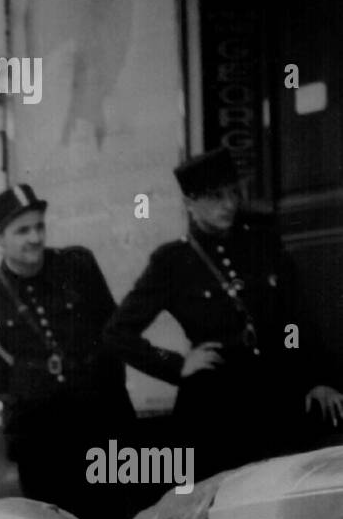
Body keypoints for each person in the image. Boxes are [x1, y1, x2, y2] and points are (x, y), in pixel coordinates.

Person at [104, 147, 343, 482]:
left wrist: (318, 378)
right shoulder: (172, 261)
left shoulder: (263, 245)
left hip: (275, 398)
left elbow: (296, 318)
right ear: (189, 203)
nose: (228, 204)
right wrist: (176, 364)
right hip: (215, 409)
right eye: (215, 197)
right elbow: (118, 333)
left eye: (233, 193)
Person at [0, 184, 141, 519]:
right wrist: (23, 390)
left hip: (100, 418)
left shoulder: (77, 266)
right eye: (23, 230)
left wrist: (107, 387)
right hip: (40, 433)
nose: (35, 238)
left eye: (39, 227)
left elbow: (111, 329)